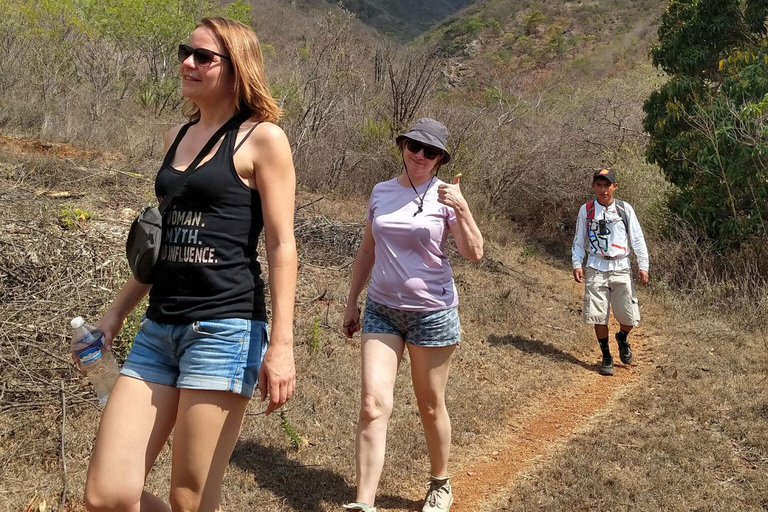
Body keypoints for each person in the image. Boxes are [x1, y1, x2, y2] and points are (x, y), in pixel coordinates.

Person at [83, 17, 297, 512]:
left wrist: (282, 345)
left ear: (236, 67)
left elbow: (283, 245)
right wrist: (113, 317)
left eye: (204, 57)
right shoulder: (177, 136)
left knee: (190, 498)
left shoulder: (263, 140)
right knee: (106, 494)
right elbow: (159, 249)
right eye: (187, 51)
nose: (188, 63)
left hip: (225, 330)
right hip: (158, 329)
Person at [342, 118, 484, 512]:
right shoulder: (381, 192)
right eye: (414, 146)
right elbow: (368, 250)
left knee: (430, 404)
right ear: (403, 146)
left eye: (431, 151)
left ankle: (440, 482)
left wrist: (463, 207)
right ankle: (363, 504)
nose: (420, 156)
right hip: (382, 310)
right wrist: (353, 300)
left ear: (440, 159)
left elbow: (474, 253)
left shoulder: (446, 197)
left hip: (432, 314)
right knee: (372, 403)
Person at [572, 168, 649, 376]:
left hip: (621, 266)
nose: (603, 189)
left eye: (607, 185)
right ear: (593, 187)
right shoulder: (586, 210)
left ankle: (622, 338)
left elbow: (637, 239)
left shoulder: (625, 209)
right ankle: (606, 356)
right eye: (599, 185)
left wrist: (643, 266)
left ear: (615, 187)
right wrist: (577, 263)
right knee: (598, 315)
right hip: (596, 267)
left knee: (629, 317)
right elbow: (579, 240)